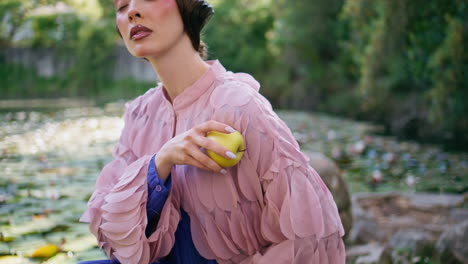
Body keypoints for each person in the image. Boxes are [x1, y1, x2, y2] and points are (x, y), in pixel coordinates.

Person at [79, 0, 346, 263]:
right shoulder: (139, 114)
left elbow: (310, 239)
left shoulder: (239, 105)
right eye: (121, 6)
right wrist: (158, 163)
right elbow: (111, 233)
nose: (132, 12)